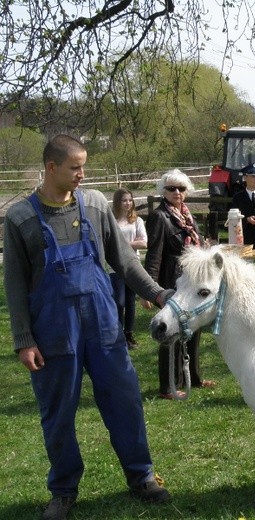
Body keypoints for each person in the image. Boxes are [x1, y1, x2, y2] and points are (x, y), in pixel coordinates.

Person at [3, 135, 172, 520]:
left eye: (84, 166)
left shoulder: (94, 205)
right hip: (53, 333)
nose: (82, 174)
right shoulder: (21, 218)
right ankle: (63, 490)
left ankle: (141, 476)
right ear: (51, 168)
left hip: (103, 327)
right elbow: (13, 285)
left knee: (125, 400)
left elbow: (126, 262)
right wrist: (23, 340)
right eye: (75, 167)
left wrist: (158, 294)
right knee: (57, 412)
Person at [144, 169, 216, 399]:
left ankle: (193, 377)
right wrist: (149, 288)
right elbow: (154, 253)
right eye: (171, 188)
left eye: (181, 189)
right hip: (170, 283)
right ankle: (167, 387)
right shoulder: (160, 216)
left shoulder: (186, 215)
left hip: (190, 282)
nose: (177, 192)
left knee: (193, 329)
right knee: (170, 333)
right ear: (162, 191)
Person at [109, 188, 148, 349]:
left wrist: (123, 245)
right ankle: (117, 334)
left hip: (133, 264)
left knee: (131, 301)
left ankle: (128, 334)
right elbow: (108, 243)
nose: (128, 203)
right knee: (119, 301)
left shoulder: (136, 221)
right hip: (115, 266)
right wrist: (131, 243)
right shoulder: (111, 221)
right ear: (118, 202)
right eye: (124, 200)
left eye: (130, 200)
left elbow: (144, 242)